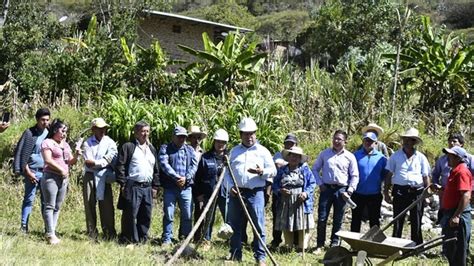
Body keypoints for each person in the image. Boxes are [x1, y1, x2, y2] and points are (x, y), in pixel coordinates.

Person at [226, 117, 277, 265]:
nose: (249, 137)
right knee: (234, 225)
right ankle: (235, 255)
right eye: (246, 134)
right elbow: (227, 173)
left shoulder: (263, 151)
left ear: (255, 133)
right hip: (237, 193)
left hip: (256, 193)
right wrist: (230, 187)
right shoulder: (234, 152)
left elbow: (273, 171)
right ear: (241, 135)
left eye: (252, 134)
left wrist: (262, 172)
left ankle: (260, 257)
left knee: (258, 225)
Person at [312, 129, 359, 253]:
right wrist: (320, 183)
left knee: (338, 219)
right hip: (326, 189)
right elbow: (315, 169)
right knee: (322, 218)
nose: (336, 141)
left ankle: (334, 243)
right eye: (335, 138)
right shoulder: (324, 154)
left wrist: (349, 191)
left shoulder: (350, 156)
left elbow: (355, 175)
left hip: (341, 190)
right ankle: (319, 244)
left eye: (339, 139)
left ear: (345, 142)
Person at [384, 128, 430, 245]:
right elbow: (389, 174)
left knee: (417, 220)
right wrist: (386, 193)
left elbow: (425, 176)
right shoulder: (395, 156)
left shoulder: (421, 157)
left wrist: (427, 194)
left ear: (414, 142)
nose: (407, 142)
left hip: (417, 192)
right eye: (405, 139)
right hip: (400, 191)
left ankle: (417, 246)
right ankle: (395, 244)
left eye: (410, 140)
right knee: (398, 219)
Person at [116, 121, 160, 243]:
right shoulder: (128, 147)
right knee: (130, 214)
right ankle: (129, 239)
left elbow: (156, 169)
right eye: (142, 131)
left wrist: (155, 187)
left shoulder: (152, 149)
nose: (145, 134)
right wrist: (123, 184)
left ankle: (142, 239)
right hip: (133, 186)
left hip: (147, 187)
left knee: (146, 215)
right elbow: (120, 166)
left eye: (147, 131)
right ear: (136, 133)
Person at [41, 119, 80, 244]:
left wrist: (77, 155)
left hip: (63, 179)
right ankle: (50, 234)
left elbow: (70, 162)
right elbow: (48, 160)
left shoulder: (66, 145)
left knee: (57, 206)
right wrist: (61, 170)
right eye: (62, 131)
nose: (64, 134)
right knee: (49, 205)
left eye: (66, 132)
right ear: (54, 130)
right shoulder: (47, 143)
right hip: (50, 177)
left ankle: (52, 231)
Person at [13, 108, 50, 233]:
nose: (45, 122)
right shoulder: (29, 133)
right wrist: (27, 172)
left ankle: (48, 228)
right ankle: (24, 227)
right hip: (32, 171)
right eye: (42, 120)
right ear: (37, 120)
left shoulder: (49, 133)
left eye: (47, 120)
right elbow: (23, 153)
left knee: (46, 201)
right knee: (29, 199)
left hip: (46, 172)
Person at [159, 126, 198, 245]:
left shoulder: (190, 149)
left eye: (184, 137)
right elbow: (164, 164)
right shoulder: (165, 148)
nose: (182, 139)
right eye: (179, 136)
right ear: (173, 137)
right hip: (170, 187)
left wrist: (186, 178)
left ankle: (185, 239)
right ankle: (167, 238)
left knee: (187, 215)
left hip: (186, 187)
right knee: (169, 214)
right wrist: (177, 177)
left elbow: (194, 166)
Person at [273, 146, 316, 250]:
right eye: (292, 155)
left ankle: (302, 247)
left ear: (300, 158)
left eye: (297, 156)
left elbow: (312, 183)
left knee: (302, 224)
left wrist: (305, 193)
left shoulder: (305, 170)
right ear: (288, 157)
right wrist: (280, 191)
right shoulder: (282, 170)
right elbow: (275, 184)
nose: (294, 158)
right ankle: (289, 246)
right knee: (287, 223)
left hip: (301, 202)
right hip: (285, 202)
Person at [81, 118, 117, 240]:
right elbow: (88, 162)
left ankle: (109, 233)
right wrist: (102, 162)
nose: (102, 130)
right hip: (90, 176)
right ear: (93, 129)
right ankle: (92, 233)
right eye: (99, 128)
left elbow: (110, 158)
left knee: (107, 205)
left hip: (105, 176)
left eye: (104, 128)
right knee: (89, 204)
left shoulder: (110, 142)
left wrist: (98, 163)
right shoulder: (87, 143)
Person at [193, 129, 229, 247]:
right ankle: (206, 240)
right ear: (214, 142)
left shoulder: (230, 158)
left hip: (225, 193)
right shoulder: (206, 157)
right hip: (209, 193)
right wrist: (198, 194)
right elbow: (198, 177)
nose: (220, 144)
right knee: (209, 218)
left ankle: (231, 240)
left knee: (229, 217)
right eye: (218, 141)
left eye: (223, 142)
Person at [440, 146, 471, 266]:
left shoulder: (462, 171)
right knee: (450, 250)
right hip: (451, 213)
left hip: (457, 216)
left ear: (458, 158)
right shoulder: (454, 170)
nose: (448, 157)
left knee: (458, 252)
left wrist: (457, 215)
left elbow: (466, 195)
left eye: (451, 155)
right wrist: (442, 189)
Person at [351, 132, 388, 232]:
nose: (368, 143)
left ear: (376, 143)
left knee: (374, 220)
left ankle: (374, 244)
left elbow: (385, 174)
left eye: (370, 141)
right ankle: (355, 245)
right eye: (366, 140)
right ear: (363, 141)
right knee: (356, 219)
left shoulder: (382, 158)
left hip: (374, 194)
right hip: (357, 193)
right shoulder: (355, 156)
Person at [270, 133, 298, 249]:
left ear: (296, 144)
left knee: (294, 217)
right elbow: (277, 165)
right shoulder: (278, 154)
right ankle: (276, 240)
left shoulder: (298, 154)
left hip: (294, 193)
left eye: (291, 143)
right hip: (279, 192)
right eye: (287, 143)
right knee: (277, 216)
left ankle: (294, 243)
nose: (289, 145)